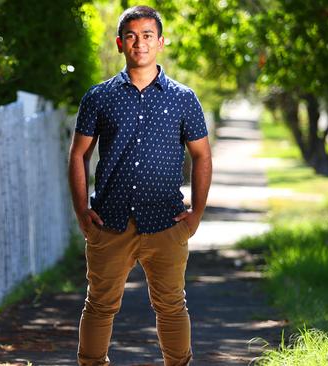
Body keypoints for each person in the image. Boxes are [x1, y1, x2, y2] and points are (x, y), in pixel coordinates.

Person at [67, 5, 213, 366]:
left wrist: (195, 214)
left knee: (171, 306)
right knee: (99, 305)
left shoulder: (183, 99)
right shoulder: (98, 97)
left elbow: (202, 156)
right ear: (120, 44)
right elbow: (78, 156)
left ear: (160, 42)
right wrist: (83, 211)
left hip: (167, 223)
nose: (140, 43)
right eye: (131, 36)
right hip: (109, 223)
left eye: (147, 35)